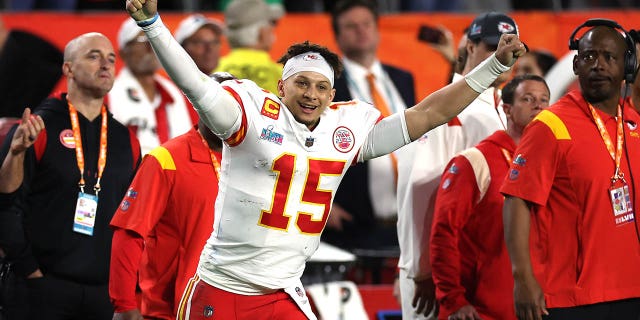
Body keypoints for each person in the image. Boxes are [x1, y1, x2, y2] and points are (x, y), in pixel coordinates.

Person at [125, 0, 524, 318]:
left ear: (333, 95)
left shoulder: (344, 132)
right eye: (301, 83)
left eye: (321, 87)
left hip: (283, 290)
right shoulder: (249, 114)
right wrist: (153, 25)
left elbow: (427, 115)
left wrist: (494, 68)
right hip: (224, 286)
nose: (311, 94)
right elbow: (195, 85)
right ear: (281, 86)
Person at [501, 22, 640, 320]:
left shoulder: (634, 124)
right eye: (589, 56)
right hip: (570, 298)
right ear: (576, 64)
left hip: (631, 291)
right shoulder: (550, 125)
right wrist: (522, 278)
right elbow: (516, 201)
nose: (598, 65)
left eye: (609, 57)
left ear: (627, 66)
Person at [0, 32, 140, 319]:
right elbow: (6, 204)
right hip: (41, 287)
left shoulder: (126, 139)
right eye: (93, 56)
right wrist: (30, 270)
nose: (106, 64)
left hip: (103, 294)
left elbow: (132, 218)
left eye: (111, 58)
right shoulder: (37, 127)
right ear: (68, 69)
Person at [395, 11, 518, 320]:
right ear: (468, 47)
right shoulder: (446, 107)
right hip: (440, 275)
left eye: (511, 49)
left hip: (483, 266)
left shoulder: (503, 107)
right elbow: (419, 189)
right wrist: (422, 270)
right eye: (493, 48)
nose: (502, 57)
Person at [430, 75, 550, 320]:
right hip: (482, 310)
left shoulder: (551, 163)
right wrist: (453, 301)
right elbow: (443, 233)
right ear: (506, 109)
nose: (538, 106)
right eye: (528, 99)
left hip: (540, 307)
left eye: (544, 100)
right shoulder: (473, 162)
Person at [322, 0, 415, 265]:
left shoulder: (402, 78)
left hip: (409, 217)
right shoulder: (329, 85)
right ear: (338, 37)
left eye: (366, 24)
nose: (361, 31)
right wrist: (323, 203)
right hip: (355, 222)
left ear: (377, 30)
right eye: (351, 27)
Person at [109, 114, 226, 318]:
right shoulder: (166, 159)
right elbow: (129, 234)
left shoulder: (251, 164)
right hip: (170, 311)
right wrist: (124, 305)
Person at [109, 18, 193, 155]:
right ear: (124, 53)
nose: (151, 47)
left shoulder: (174, 90)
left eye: (153, 40)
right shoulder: (112, 92)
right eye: (143, 40)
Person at [214, 0, 284, 94]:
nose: (272, 29)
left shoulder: (212, 72)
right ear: (261, 33)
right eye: (271, 23)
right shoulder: (283, 77)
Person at [174, 14, 226, 124]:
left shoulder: (224, 87)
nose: (209, 48)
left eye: (215, 42)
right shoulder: (169, 90)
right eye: (199, 42)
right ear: (181, 49)